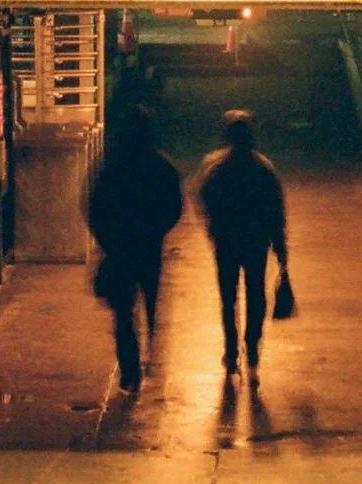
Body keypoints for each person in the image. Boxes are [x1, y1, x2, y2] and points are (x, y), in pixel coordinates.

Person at [86, 110, 182, 394]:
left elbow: (94, 208)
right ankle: (153, 355)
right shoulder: (161, 166)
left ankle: (130, 372)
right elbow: (174, 207)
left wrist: (107, 240)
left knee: (123, 313)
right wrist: (157, 230)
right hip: (149, 245)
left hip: (119, 248)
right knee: (152, 300)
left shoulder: (112, 167)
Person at [197, 109, 287, 385]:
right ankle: (253, 352)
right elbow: (275, 211)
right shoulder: (263, 168)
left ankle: (231, 351)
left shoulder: (215, 166)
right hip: (256, 241)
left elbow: (205, 200)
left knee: (228, 298)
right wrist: (281, 250)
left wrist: (214, 228)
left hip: (226, 241)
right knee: (256, 294)